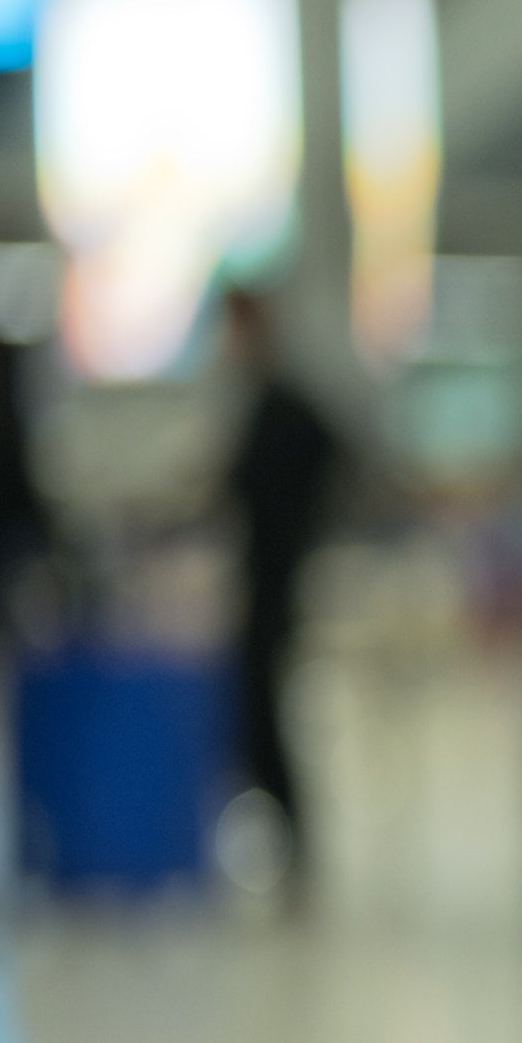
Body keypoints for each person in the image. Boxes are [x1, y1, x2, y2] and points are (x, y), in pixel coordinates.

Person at [214, 287, 352, 874]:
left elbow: (333, 459)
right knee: (255, 713)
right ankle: (280, 830)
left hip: (275, 581)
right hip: (262, 578)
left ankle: (292, 835)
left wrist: (298, 529)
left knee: (263, 712)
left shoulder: (283, 406)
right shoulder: (257, 402)